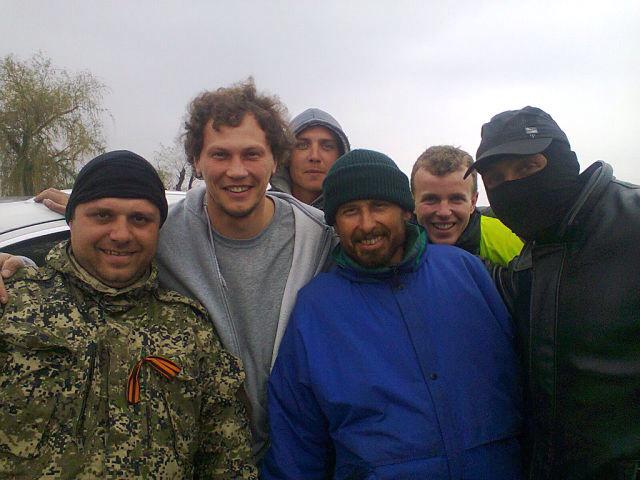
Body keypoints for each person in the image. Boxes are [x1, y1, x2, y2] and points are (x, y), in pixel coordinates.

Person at [2, 80, 336, 459]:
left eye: (252, 154)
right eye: (220, 154)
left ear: (275, 159)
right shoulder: (162, 234)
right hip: (214, 452)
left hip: (300, 453)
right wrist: (22, 270)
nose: (237, 170)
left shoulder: (320, 237)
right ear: (196, 160)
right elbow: (91, 278)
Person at [262, 149, 523, 479]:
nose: (367, 224)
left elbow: (523, 380)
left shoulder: (466, 271)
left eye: (379, 206)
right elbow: (296, 440)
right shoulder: (315, 309)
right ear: (334, 222)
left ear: (405, 210)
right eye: (350, 211)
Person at [0, 150, 256, 479]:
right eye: (102, 215)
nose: (121, 234)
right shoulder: (13, 305)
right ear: (71, 219)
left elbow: (228, 461)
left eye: (139, 219)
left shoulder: (191, 330)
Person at [465, 106, 640, 479]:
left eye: (527, 167)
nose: (514, 186)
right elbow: (490, 282)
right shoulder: (535, 254)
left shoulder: (632, 222)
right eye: (496, 179)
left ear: (565, 159)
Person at [411, 145, 522, 266]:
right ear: (413, 202)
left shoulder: (508, 241)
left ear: (473, 202)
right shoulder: (397, 244)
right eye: (431, 199)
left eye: (456, 199)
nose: (444, 212)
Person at [270, 107, 350, 210]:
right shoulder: (260, 211)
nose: (314, 156)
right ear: (286, 156)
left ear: (341, 155)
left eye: (327, 146)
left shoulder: (358, 213)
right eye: (302, 145)